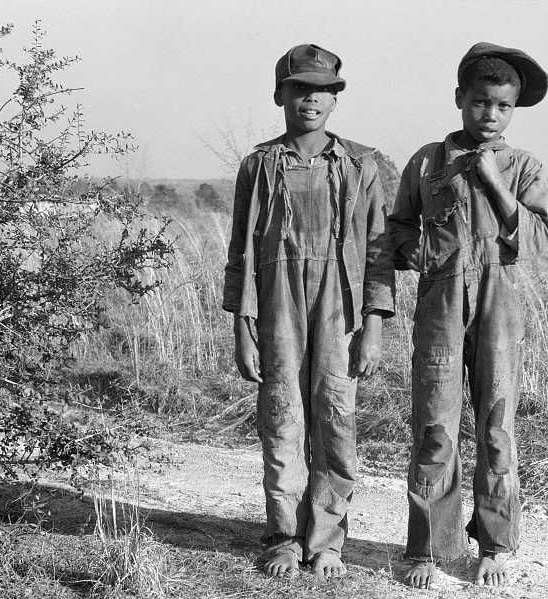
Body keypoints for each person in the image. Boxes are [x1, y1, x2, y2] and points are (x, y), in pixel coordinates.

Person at [222, 43, 395, 580]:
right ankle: (282, 536)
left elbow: (379, 253)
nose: (311, 99)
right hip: (276, 310)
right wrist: (242, 327)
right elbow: (241, 251)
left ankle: (327, 540)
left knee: (336, 422)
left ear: (335, 99)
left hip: (338, 310)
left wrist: (373, 326)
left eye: (322, 90)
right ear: (280, 94)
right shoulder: (258, 165)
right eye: (299, 88)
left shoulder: (363, 165)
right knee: (281, 422)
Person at [387, 42, 548, 589]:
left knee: (497, 429)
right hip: (440, 303)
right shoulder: (427, 162)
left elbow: (537, 240)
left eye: (503, 107)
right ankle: (429, 549)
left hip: (500, 304)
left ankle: (495, 545)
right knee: (436, 426)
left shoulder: (524, 165)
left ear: (514, 110)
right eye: (481, 102)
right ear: (460, 99)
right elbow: (399, 228)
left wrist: (493, 180)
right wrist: (410, 249)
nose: (491, 114)